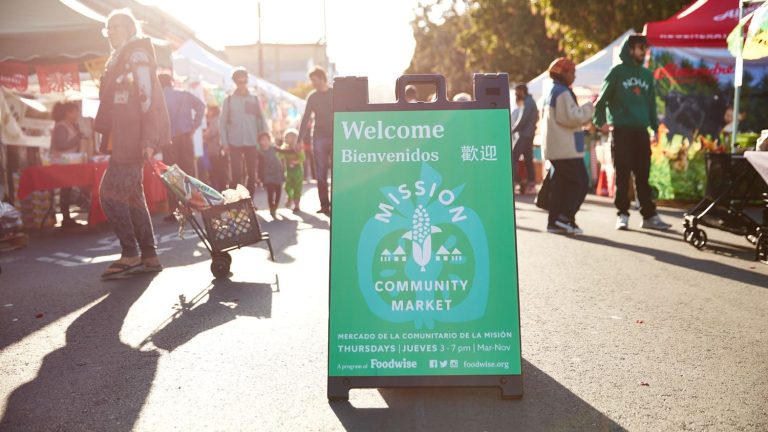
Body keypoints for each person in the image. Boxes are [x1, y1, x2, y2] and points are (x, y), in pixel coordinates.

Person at [94, 9, 170, 278]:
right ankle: (149, 255)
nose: (111, 32)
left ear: (129, 28)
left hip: (132, 139)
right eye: (108, 28)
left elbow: (148, 98)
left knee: (110, 195)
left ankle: (130, 254)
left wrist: (148, 139)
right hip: (124, 138)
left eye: (116, 26)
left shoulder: (136, 55)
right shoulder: (120, 57)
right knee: (134, 197)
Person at [593, 34, 672, 231]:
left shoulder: (646, 74)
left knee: (643, 175)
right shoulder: (617, 72)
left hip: (641, 132)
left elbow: (651, 105)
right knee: (622, 175)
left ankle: (649, 215)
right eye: (640, 48)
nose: (644, 52)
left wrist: (655, 128)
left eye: (645, 48)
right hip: (621, 132)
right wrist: (600, 122)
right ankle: (622, 214)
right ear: (630, 49)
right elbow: (600, 101)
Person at [541, 58, 594, 235]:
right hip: (566, 149)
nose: (574, 76)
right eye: (572, 72)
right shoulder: (562, 92)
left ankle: (555, 221)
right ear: (563, 73)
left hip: (557, 148)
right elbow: (572, 118)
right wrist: (590, 107)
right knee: (579, 182)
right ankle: (564, 217)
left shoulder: (553, 90)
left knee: (561, 185)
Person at [157, 73, 204, 220]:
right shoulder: (184, 94)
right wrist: (194, 126)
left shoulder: (159, 98)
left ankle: (176, 211)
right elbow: (201, 106)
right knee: (187, 173)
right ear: (171, 82)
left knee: (171, 174)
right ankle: (192, 206)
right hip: (185, 137)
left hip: (168, 140)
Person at [220, 67, 269, 196]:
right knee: (235, 174)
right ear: (235, 82)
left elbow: (261, 119)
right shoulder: (228, 100)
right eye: (239, 82)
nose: (242, 85)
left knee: (252, 173)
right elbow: (222, 123)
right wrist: (224, 142)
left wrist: (265, 138)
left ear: (247, 81)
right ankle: (235, 202)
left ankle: (250, 202)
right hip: (234, 142)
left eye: (244, 81)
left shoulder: (254, 99)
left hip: (251, 141)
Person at [297, 66, 333, 215]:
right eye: (311, 81)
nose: (313, 83)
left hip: (335, 135)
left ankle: (337, 202)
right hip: (319, 137)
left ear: (322, 77)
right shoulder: (312, 97)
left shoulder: (335, 93)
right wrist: (299, 140)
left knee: (337, 172)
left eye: (314, 80)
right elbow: (306, 118)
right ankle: (324, 205)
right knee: (321, 173)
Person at [50, 102, 85, 228]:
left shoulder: (73, 125)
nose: (77, 115)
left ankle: (67, 217)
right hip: (62, 164)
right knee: (65, 189)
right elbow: (61, 145)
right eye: (75, 112)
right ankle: (66, 218)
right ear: (68, 112)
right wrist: (77, 138)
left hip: (71, 163)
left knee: (68, 189)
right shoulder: (61, 126)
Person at [511, 84, 539, 195]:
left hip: (524, 135)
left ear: (522, 91)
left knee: (513, 157)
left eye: (517, 91)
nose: (516, 94)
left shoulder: (528, 102)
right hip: (529, 134)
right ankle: (530, 183)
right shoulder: (530, 101)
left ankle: (517, 181)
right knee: (528, 160)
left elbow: (523, 119)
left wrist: (512, 129)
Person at [257, 132, 286, 219]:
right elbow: (259, 166)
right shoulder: (260, 153)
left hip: (277, 173)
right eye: (262, 140)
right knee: (270, 192)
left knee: (278, 191)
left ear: (270, 141)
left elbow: (283, 151)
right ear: (259, 142)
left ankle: (275, 205)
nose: (264, 142)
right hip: (267, 175)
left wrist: (293, 150)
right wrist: (259, 177)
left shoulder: (274, 148)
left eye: (266, 140)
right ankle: (271, 208)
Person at [203, 105, 229, 191]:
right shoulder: (216, 120)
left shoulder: (215, 120)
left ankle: (220, 190)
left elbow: (210, 133)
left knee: (216, 171)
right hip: (216, 150)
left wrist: (203, 135)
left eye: (209, 110)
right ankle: (221, 189)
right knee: (217, 171)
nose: (207, 112)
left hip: (216, 150)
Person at [279, 128, 305, 213]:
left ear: (294, 138)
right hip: (289, 172)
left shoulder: (298, 148)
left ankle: (297, 205)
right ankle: (290, 198)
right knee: (287, 187)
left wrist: (295, 161)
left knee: (297, 188)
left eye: (289, 137)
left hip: (298, 172)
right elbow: (279, 156)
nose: (287, 139)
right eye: (286, 137)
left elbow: (303, 158)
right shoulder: (284, 148)